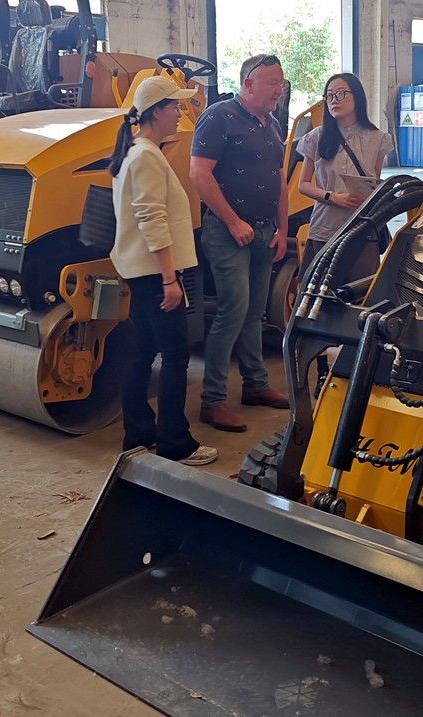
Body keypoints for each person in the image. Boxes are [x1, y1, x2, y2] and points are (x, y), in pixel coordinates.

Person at [109, 75, 218, 467]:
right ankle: (175, 443)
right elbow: (151, 219)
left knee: (141, 353)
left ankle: (139, 435)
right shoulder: (146, 157)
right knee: (175, 357)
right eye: (175, 106)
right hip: (155, 274)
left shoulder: (135, 153)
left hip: (141, 272)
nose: (180, 113)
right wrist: (170, 279)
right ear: (157, 112)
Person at [189, 54, 290, 433]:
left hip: (264, 232)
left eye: (281, 82)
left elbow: (279, 178)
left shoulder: (273, 124)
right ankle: (212, 401)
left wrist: (282, 229)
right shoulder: (218, 117)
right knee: (233, 311)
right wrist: (233, 221)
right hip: (226, 232)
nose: (278, 89)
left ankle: (255, 384)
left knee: (254, 312)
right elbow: (199, 174)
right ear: (248, 83)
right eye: (271, 82)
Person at [297, 72, 394, 281]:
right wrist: (332, 197)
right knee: (319, 291)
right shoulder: (316, 137)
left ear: (357, 96)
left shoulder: (378, 139)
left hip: (362, 229)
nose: (334, 100)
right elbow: (303, 185)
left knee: (359, 291)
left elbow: (374, 184)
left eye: (340, 93)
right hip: (325, 228)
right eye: (329, 95)